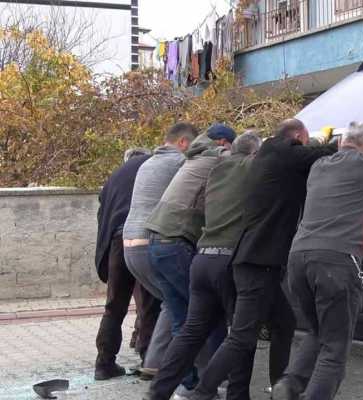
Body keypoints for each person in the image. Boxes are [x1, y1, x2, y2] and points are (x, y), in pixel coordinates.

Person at [185, 119, 337, 400]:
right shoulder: (283, 151)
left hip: (257, 261)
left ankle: (280, 388)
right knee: (242, 336)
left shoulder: (269, 155)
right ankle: (202, 392)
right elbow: (323, 154)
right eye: (303, 140)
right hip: (258, 263)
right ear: (298, 136)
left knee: (285, 322)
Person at [272, 122, 363, 400]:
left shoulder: (319, 166)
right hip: (335, 263)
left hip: (298, 260)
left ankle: (288, 385)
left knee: (319, 331)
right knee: (335, 348)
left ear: (340, 144)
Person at [145, 131, 263, 400]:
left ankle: (162, 391)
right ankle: (220, 390)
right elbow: (248, 158)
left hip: (177, 249)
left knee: (189, 328)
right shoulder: (225, 160)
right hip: (194, 249)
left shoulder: (195, 160)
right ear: (223, 144)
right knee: (234, 331)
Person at [123, 122, 199, 379]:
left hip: (129, 245)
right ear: (183, 143)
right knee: (186, 303)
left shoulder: (148, 163)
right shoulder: (179, 162)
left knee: (170, 301)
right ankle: (187, 369)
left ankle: (155, 364)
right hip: (151, 242)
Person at [94, 147, 152, 380]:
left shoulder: (115, 176)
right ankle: (149, 360)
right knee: (149, 303)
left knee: (114, 305)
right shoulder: (152, 168)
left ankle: (104, 363)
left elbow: (102, 212)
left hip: (118, 241)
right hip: (143, 238)